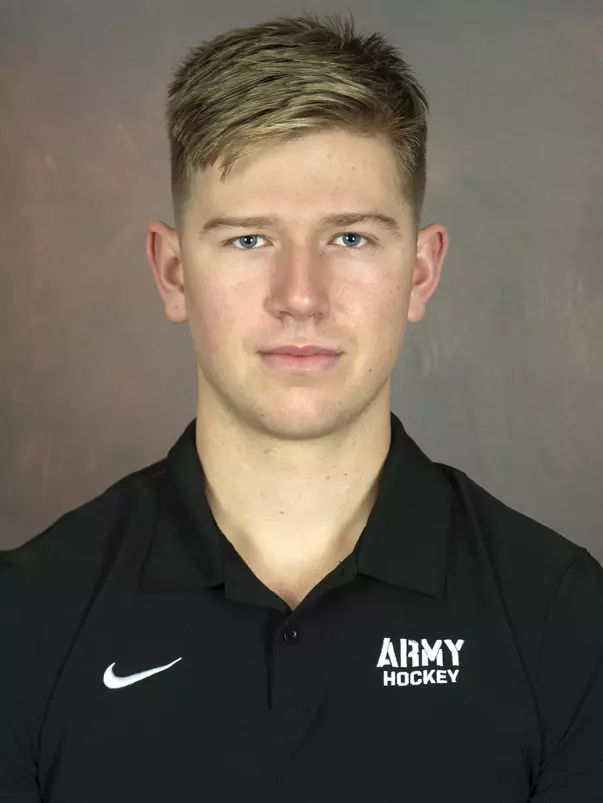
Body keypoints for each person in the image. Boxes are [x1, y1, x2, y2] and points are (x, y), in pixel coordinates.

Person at [1, 10, 602, 802]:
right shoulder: (27, 617)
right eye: (249, 240)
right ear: (174, 273)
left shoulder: (560, 615)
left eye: (350, 238)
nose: (300, 297)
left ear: (419, 272)